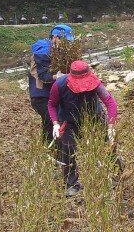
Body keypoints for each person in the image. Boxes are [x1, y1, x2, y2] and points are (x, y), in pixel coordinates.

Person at [48, 60, 117, 197]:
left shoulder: (96, 83)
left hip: (94, 117)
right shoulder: (59, 85)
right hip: (69, 121)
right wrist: (55, 123)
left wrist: (111, 127)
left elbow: (110, 102)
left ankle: (117, 175)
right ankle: (71, 184)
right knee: (68, 150)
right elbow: (52, 104)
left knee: (109, 145)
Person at [28, 23, 74, 143]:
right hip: (41, 96)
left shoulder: (57, 51)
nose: (66, 44)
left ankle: (47, 152)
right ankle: (59, 154)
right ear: (54, 37)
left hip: (51, 96)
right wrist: (58, 76)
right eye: (63, 40)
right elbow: (43, 76)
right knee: (55, 122)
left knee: (48, 125)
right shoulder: (43, 51)